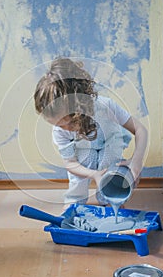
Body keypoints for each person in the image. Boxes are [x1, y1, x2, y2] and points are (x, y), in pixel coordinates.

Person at [34, 57, 148, 205]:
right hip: (83, 153)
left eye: (68, 123)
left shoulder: (105, 107)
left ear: (80, 108)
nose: (64, 128)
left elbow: (141, 130)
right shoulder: (59, 130)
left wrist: (136, 162)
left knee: (109, 161)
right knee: (84, 161)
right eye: (57, 125)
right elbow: (70, 163)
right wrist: (94, 174)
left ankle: (110, 199)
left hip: (109, 144)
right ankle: (75, 201)